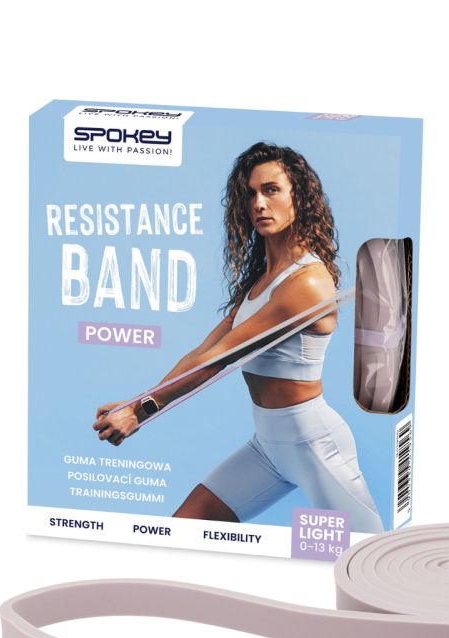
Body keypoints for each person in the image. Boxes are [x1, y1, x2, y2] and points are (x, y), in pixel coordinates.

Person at [93, 142, 383, 533]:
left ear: (298, 196)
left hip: (314, 444)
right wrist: (138, 403)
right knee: (182, 532)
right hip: (268, 447)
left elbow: (221, 359)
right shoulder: (262, 281)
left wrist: (141, 412)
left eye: (272, 190)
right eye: (250, 194)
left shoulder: (307, 283)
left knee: (368, 554)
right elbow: (204, 351)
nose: (259, 203)